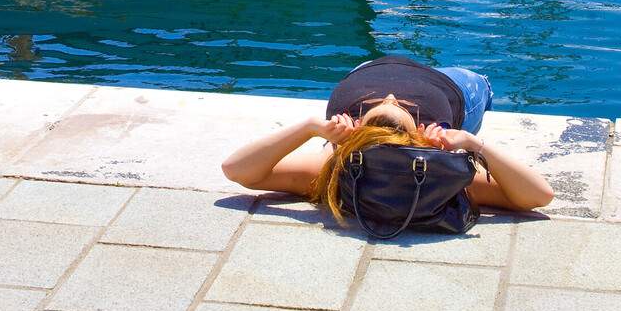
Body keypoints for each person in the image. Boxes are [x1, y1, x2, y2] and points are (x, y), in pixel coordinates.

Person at [221, 56, 555, 222]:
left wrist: (309, 128)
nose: (391, 96)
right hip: (451, 86)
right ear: (417, 137)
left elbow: (236, 169)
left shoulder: (335, 165)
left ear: (355, 133)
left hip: (366, 67)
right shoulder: (434, 161)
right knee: (480, 80)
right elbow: (539, 195)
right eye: (397, 106)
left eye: (379, 106)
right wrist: (472, 143)